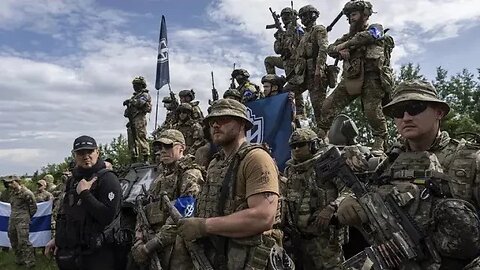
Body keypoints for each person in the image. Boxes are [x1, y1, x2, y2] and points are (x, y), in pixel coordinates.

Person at [337, 80, 480, 269]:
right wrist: (346, 200)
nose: (405, 117)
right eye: (398, 112)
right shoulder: (388, 162)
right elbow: (366, 192)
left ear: (439, 112)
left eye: (415, 107)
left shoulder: (470, 160)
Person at [176, 99, 281, 269]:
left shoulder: (255, 159)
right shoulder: (215, 163)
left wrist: (204, 226)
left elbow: (263, 217)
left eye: (224, 119)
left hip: (249, 260)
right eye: (212, 121)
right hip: (219, 256)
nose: (216, 124)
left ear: (242, 124)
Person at [318, 0, 394, 153]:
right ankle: (320, 138)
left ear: (364, 15)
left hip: (372, 77)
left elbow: (370, 36)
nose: (351, 18)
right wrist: (340, 50)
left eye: (354, 14)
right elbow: (330, 49)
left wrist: (346, 46)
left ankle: (380, 140)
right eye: (349, 16)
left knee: (372, 111)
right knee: (328, 106)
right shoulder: (347, 36)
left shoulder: (375, 28)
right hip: (352, 77)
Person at [45, 135, 122, 270]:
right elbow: (67, 214)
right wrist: (59, 239)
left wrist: (85, 194)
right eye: (81, 153)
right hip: (74, 251)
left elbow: (107, 216)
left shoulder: (107, 179)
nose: (86, 156)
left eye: (89, 152)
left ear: (97, 152)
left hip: (99, 253)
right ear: (75, 155)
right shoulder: (73, 180)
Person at [130, 129, 204, 269]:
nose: (162, 151)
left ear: (181, 148)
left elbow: (183, 215)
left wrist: (151, 245)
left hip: (178, 248)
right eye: (160, 147)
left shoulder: (190, 174)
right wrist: (139, 239)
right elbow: (144, 210)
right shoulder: (159, 178)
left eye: (168, 146)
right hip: (154, 244)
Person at [283, 128, 346, 269]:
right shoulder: (289, 170)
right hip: (298, 240)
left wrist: (332, 207)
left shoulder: (326, 165)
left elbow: (349, 190)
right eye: (293, 146)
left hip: (324, 240)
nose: (297, 149)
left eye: (301, 144)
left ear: (313, 145)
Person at [286, 4, 328, 124]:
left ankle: (324, 136)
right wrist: (291, 26)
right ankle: (294, 120)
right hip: (302, 74)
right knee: (285, 93)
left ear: (313, 15)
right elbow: (293, 50)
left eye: (305, 16)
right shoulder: (304, 35)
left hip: (315, 72)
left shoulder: (319, 29)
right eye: (301, 16)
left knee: (318, 107)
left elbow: (323, 48)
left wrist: (319, 69)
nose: (303, 19)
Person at [4, 175, 37, 268]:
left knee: (24, 241)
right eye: (8, 183)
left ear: (17, 181)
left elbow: (33, 207)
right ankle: (20, 259)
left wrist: (26, 217)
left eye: (11, 182)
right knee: (12, 239)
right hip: (13, 219)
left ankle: (30, 262)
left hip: (22, 220)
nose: (9, 184)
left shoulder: (26, 193)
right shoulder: (12, 193)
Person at [123, 76, 152, 162]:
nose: (135, 87)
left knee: (141, 136)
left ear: (142, 85)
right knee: (132, 139)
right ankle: (134, 157)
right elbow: (127, 112)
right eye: (134, 85)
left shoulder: (144, 95)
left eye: (137, 85)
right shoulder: (134, 97)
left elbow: (141, 103)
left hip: (140, 118)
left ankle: (145, 156)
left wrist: (131, 101)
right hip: (132, 119)